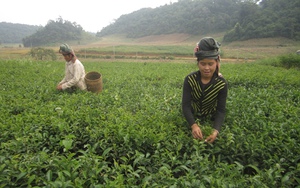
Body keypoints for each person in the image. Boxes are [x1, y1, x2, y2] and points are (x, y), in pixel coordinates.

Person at [182, 37, 228, 143]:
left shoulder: (221, 84)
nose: (206, 68)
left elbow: (220, 111)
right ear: (198, 63)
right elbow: (186, 106)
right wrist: (193, 125)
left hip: (211, 117)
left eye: (210, 64)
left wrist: (215, 130)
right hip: (192, 116)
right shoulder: (190, 80)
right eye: (203, 64)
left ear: (216, 62)